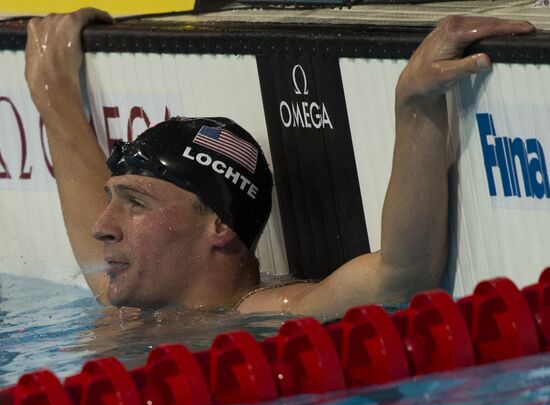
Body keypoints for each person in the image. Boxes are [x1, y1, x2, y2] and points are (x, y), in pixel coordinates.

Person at [24, 9, 535, 317]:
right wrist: (53, 95)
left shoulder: (272, 316)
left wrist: (415, 106)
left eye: (134, 202)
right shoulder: (135, 299)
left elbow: (403, 276)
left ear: (218, 224)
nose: (100, 226)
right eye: (113, 199)